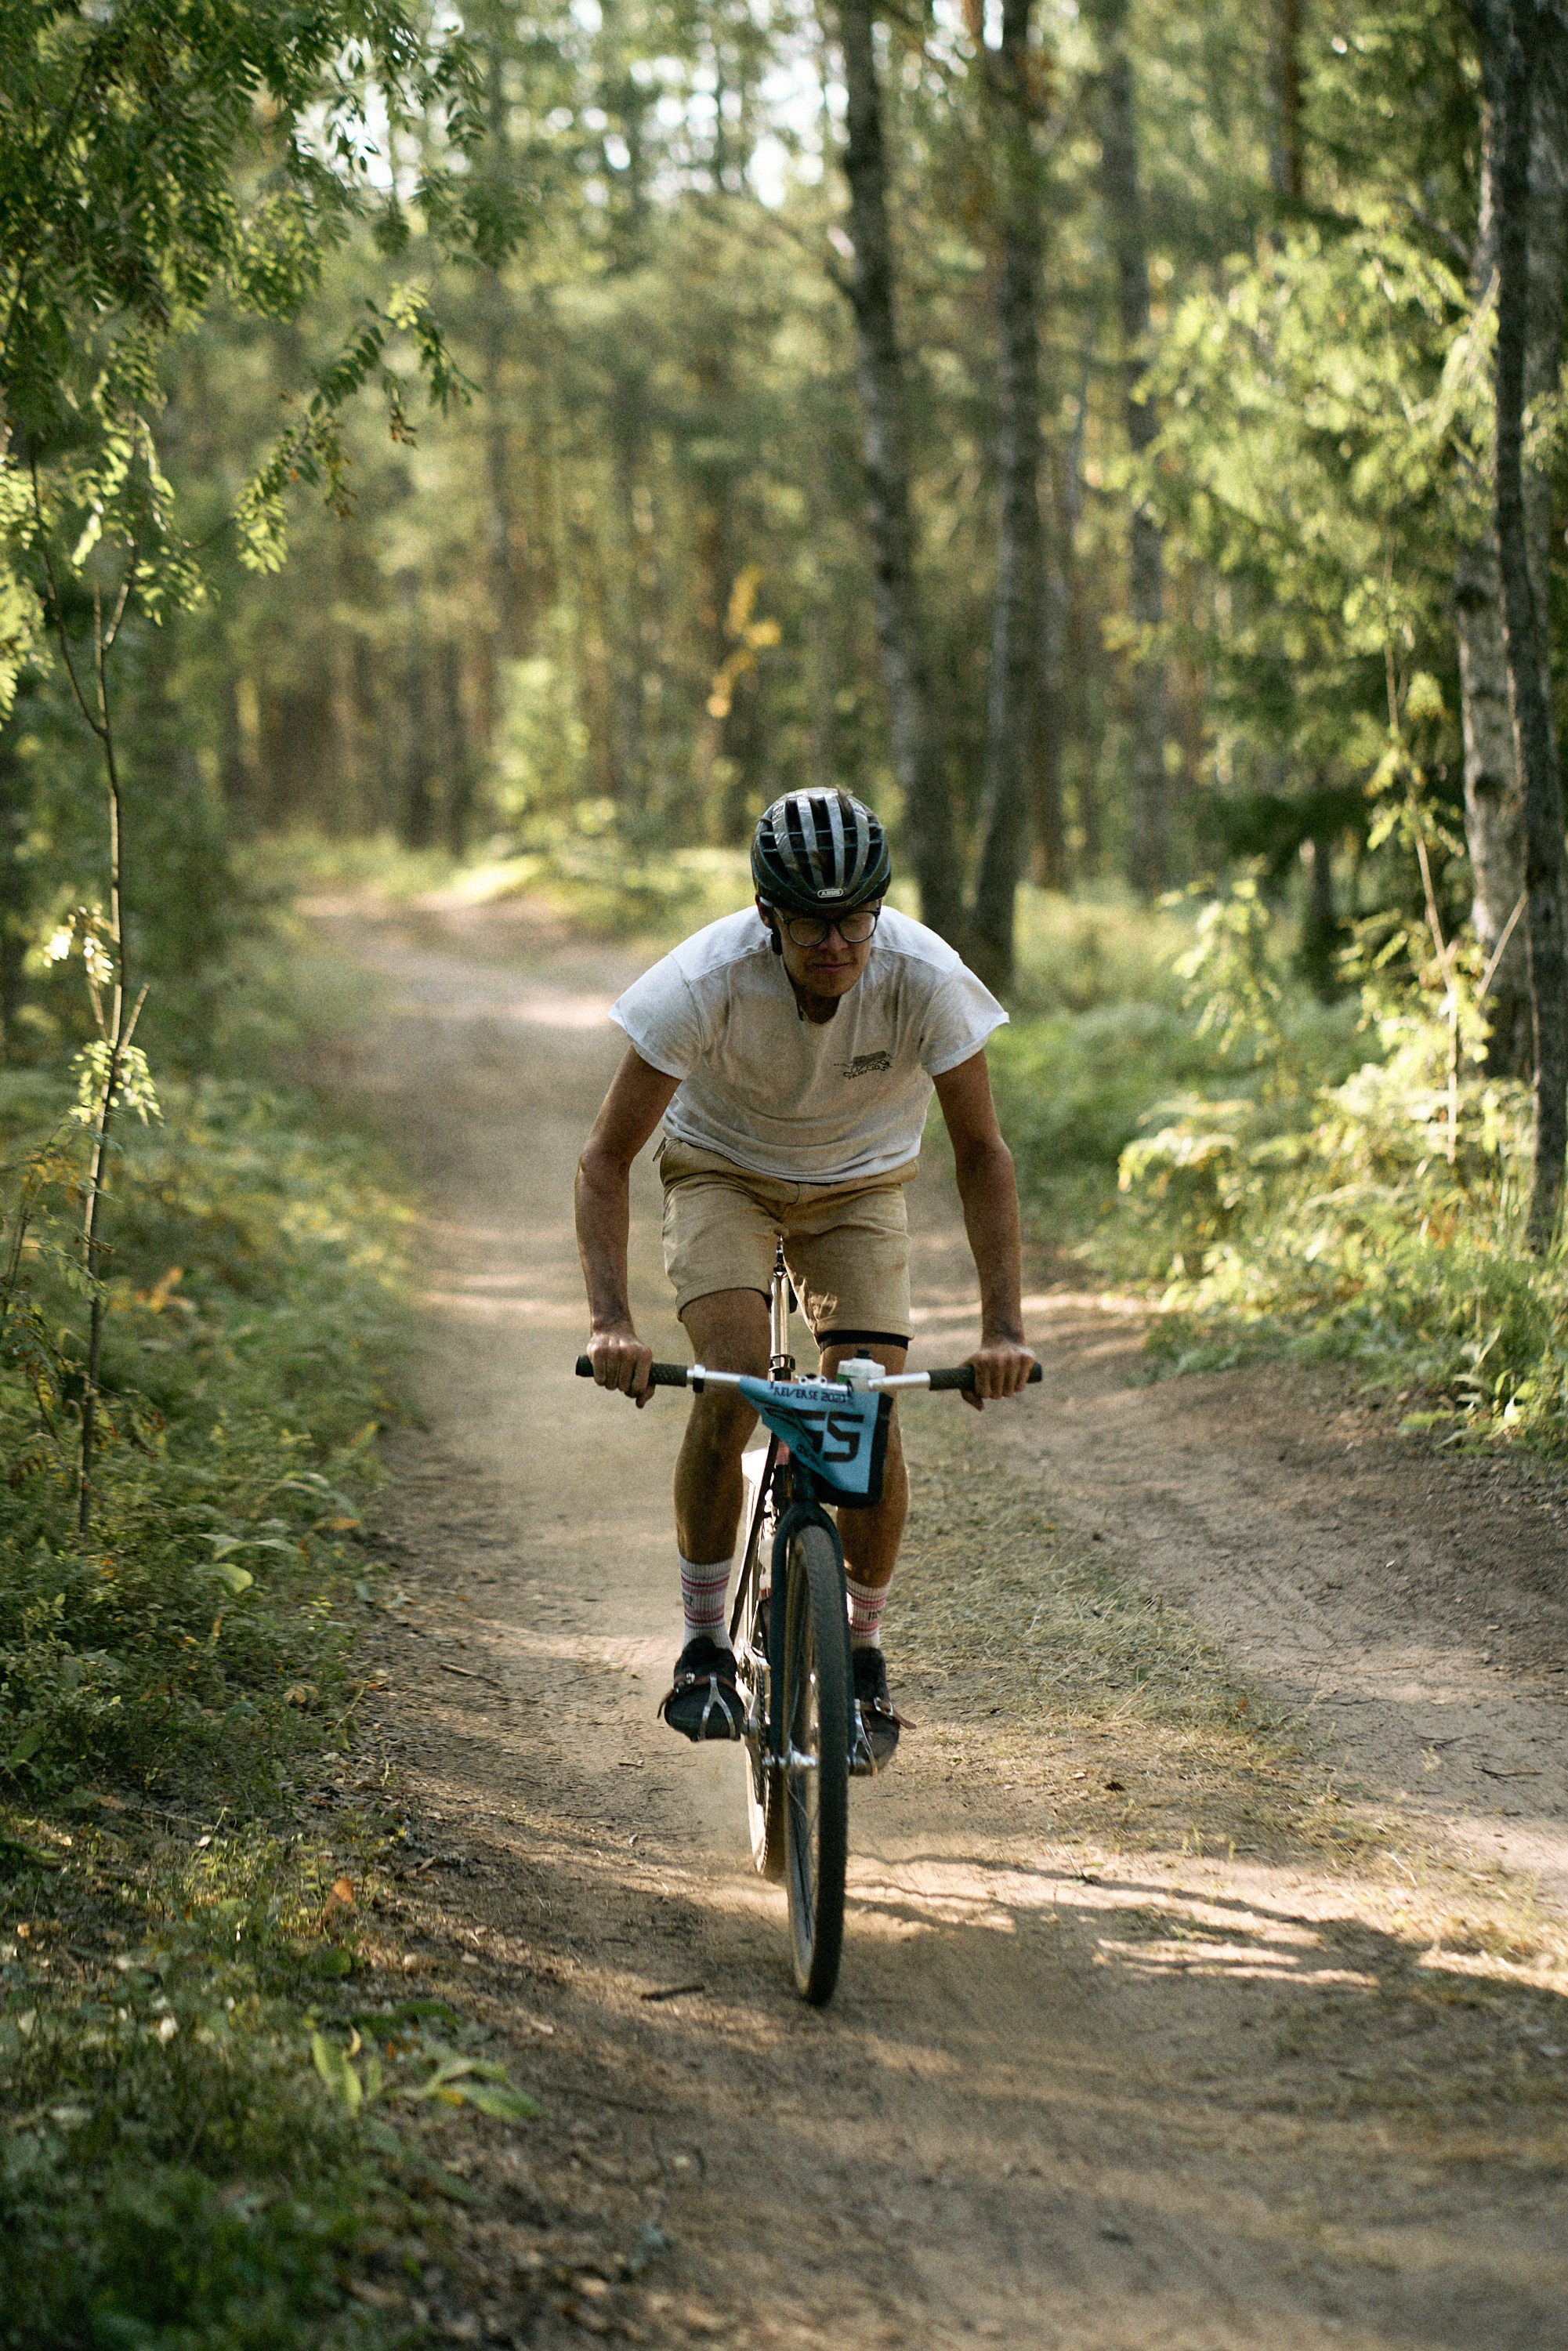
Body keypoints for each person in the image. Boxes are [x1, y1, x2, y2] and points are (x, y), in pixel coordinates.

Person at [574, 788, 1035, 1765]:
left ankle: (861, 1656)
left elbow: (983, 1155)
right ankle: (705, 1646)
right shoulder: (703, 981)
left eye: (856, 918)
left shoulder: (923, 976)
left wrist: (1003, 1329)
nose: (837, 944)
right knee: (734, 1380)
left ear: (880, 910)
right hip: (722, 1172)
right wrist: (611, 1320)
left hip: (860, 1187)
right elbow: (604, 1159)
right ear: (766, 915)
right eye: (811, 923)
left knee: (867, 1411)